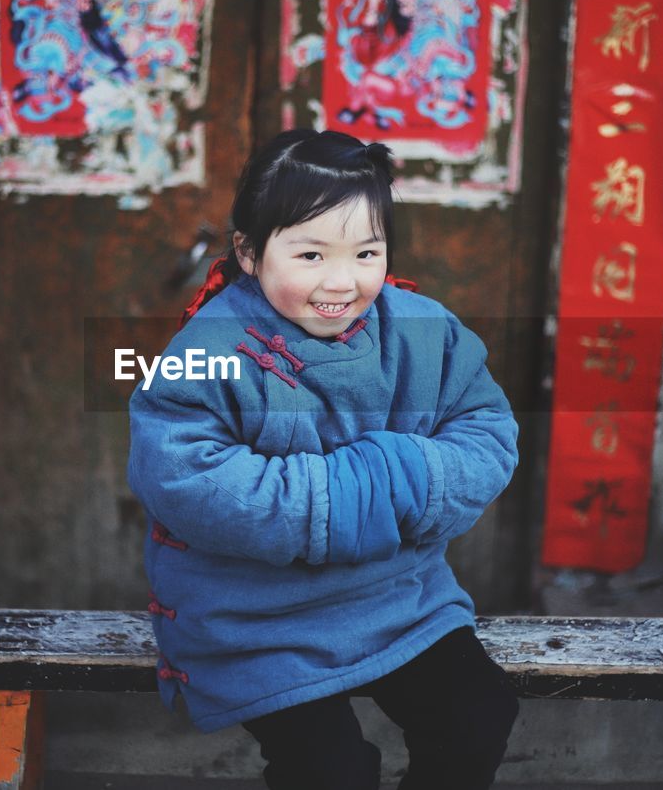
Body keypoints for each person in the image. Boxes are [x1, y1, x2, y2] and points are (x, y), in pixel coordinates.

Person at [126, 129, 520, 790]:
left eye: (366, 252)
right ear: (249, 254)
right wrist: (363, 489)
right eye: (310, 254)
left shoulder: (422, 329)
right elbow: (185, 476)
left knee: (478, 715)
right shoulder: (208, 348)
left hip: (397, 596)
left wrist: (418, 478)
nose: (342, 281)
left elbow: (486, 428)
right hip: (256, 616)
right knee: (331, 769)